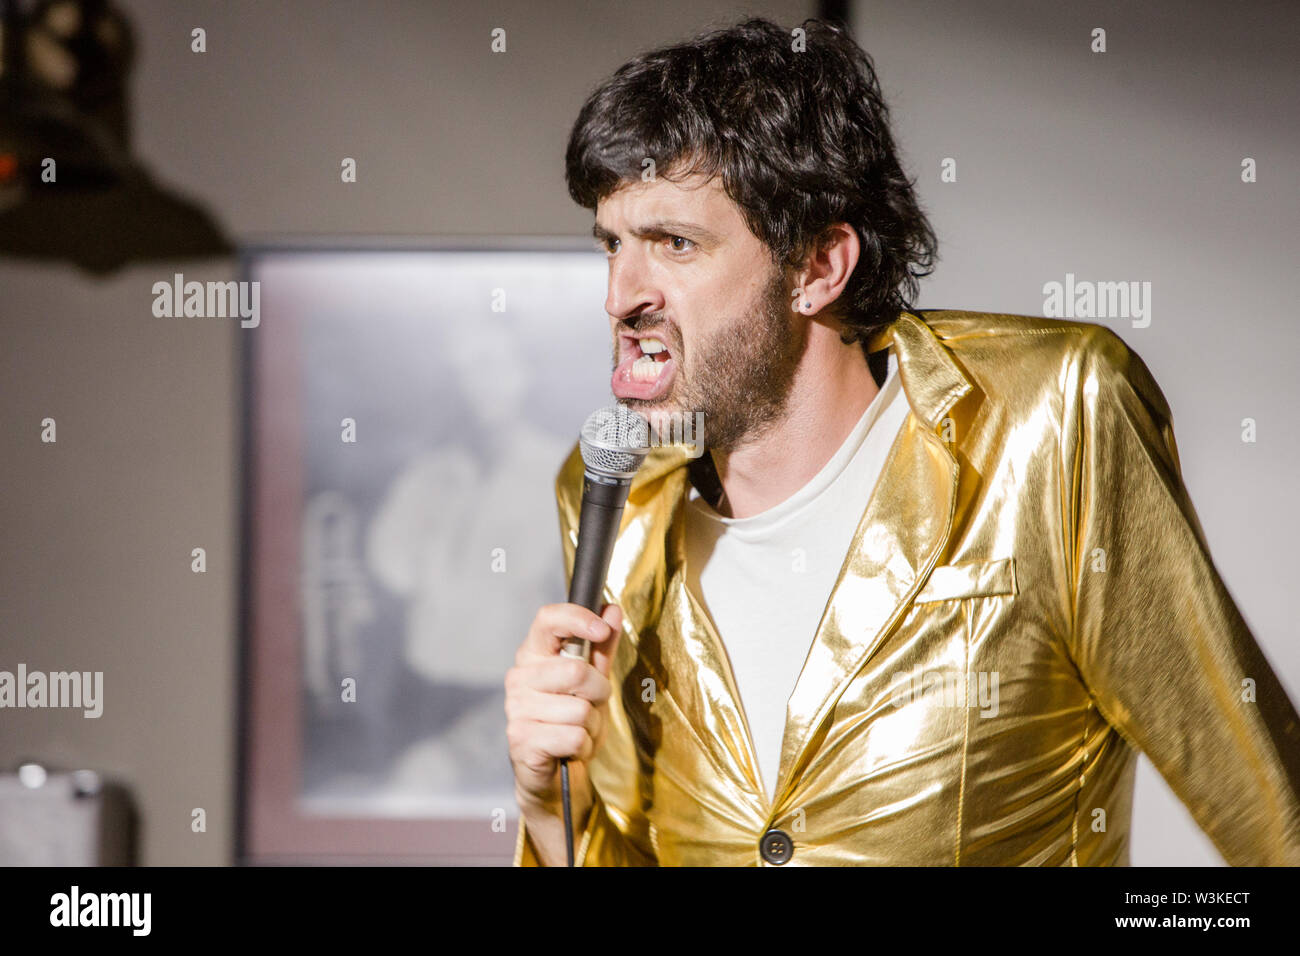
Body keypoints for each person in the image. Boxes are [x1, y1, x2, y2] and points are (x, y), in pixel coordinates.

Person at [504, 17, 1300, 866]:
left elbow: (1275, 827)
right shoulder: (608, 498)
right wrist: (551, 813)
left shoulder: (1054, 421)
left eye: (674, 243)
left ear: (817, 266)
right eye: (614, 245)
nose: (620, 296)